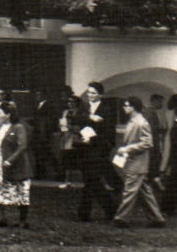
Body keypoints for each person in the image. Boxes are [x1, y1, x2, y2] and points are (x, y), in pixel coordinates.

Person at [111, 96, 166, 228]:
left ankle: (121, 219)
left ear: (133, 107)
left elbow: (147, 143)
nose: (124, 107)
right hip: (136, 163)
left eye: (126, 105)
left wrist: (127, 149)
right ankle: (157, 219)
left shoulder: (141, 123)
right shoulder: (134, 121)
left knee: (129, 191)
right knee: (145, 192)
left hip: (137, 164)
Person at [71, 81, 119, 221]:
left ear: (100, 94)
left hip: (98, 149)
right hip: (84, 149)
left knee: (91, 180)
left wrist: (96, 140)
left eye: (93, 93)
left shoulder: (107, 109)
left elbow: (109, 132)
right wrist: (89, 117)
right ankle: (109, 209)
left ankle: (86, 212)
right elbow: (74, 119)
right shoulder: (84, 107)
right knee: (91, 181)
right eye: (89, 92)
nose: (90, 95)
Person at [0, 99, 33, 228]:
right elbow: (0, 140)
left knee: (21, 190)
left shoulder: (19, 127)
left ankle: (22, 220)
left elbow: (22, 146)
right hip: (1, 162)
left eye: (0, 112)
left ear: (8, 114)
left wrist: (10, 160)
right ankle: (1, 218)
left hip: (17, 163)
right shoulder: (1, 125)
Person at [158, 94, 177, 217]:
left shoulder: (175, 125)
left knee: (174, 185)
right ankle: (166, 208)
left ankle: (166, 208)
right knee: (174, 185)